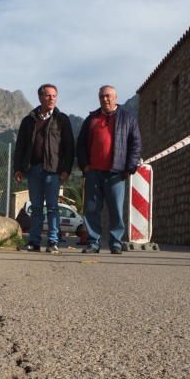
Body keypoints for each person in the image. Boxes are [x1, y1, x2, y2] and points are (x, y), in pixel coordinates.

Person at [76, 85, 142, 254]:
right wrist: (85, 166)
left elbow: (135, 144)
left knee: (116, 210)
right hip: (93, 172)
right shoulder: (91, 119)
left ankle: (116, 243)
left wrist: (130, 167)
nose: (105, 99)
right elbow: (81, 145)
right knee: (91, 209)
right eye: (102, 96)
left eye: (108, 96)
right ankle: (93, 243)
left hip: (116, 173)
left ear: (116, 98)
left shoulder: (127, 118)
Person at [13, 83, 75, 254]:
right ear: (40, 97)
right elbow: (20, 147)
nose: (52, 98)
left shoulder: (62, 120)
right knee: (37, 208)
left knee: (53, 207)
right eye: (48, 95)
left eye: (54, 95)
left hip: (53, 170)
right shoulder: (28, 121)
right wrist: (18, 168)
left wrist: (66, 169)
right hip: (33, 170)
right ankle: (34, 241)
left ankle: (53, 242)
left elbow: (69, 147)